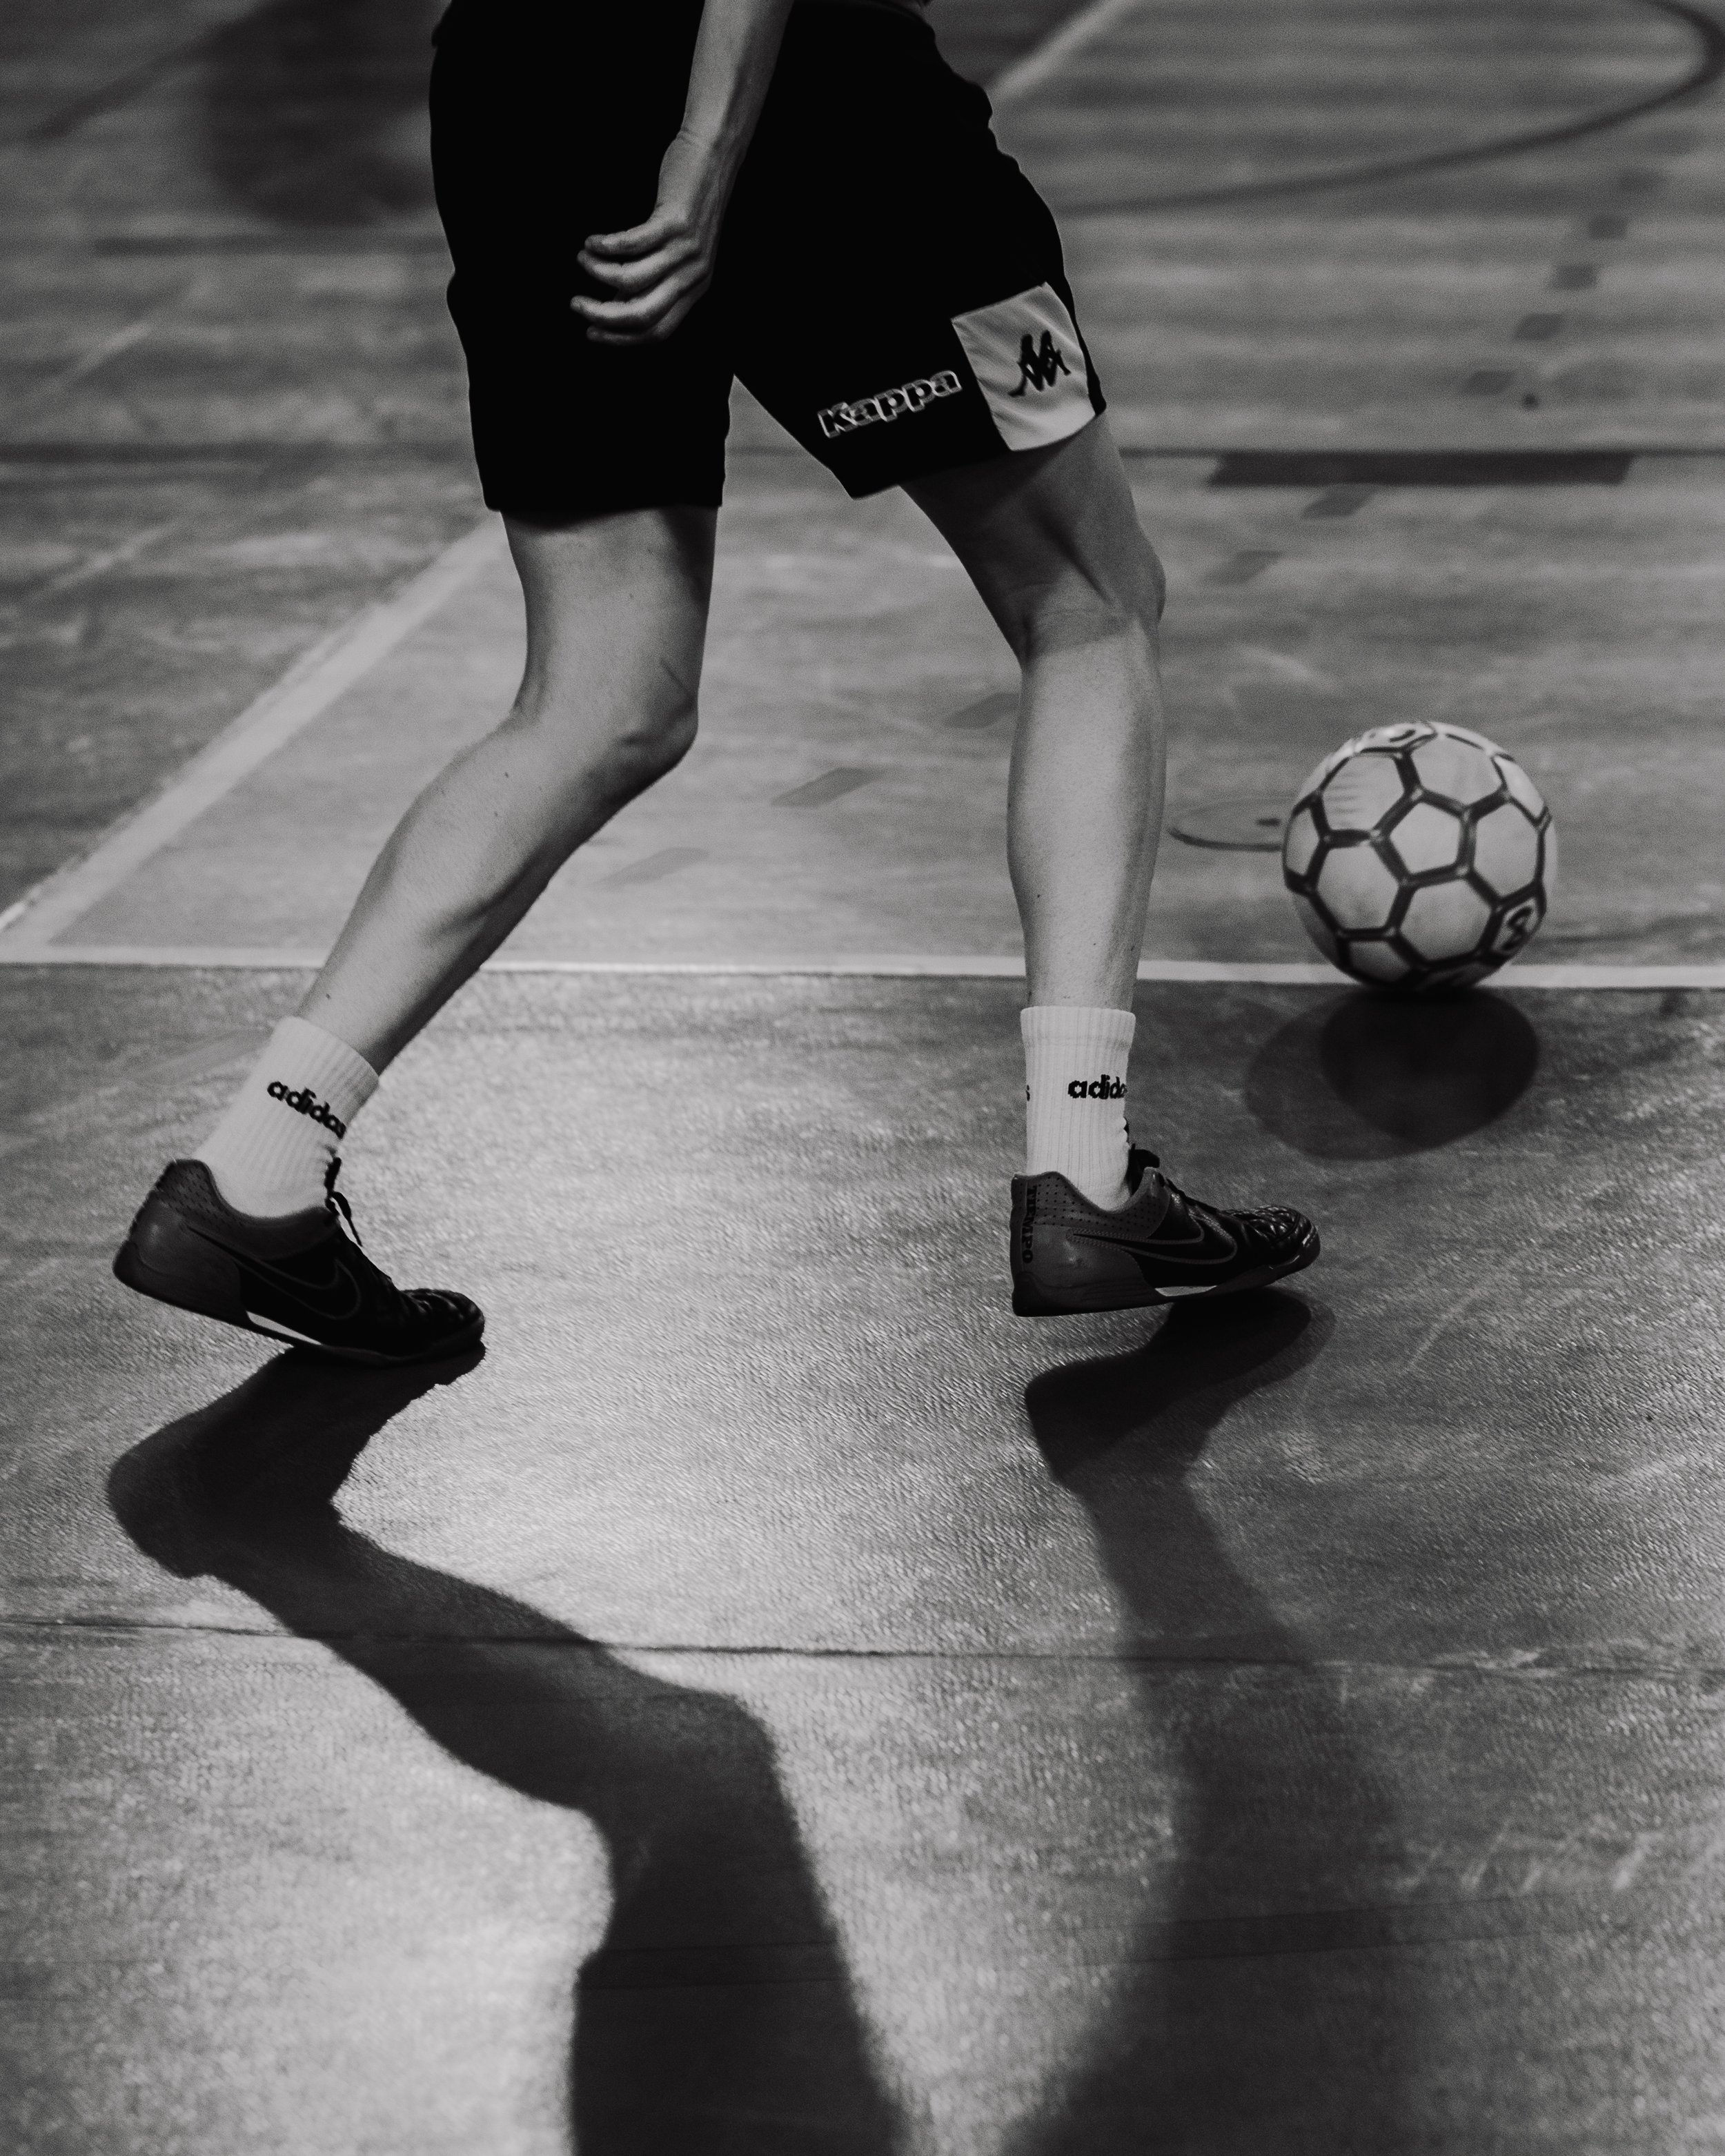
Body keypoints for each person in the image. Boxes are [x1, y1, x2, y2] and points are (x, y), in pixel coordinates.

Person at [114, 0, 1319, 1365]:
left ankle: (257, 1168)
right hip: (796, 96)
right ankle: (1082, 1166)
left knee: (600, 695)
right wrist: (699, 151)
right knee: (1088, 605)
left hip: (519, 91)